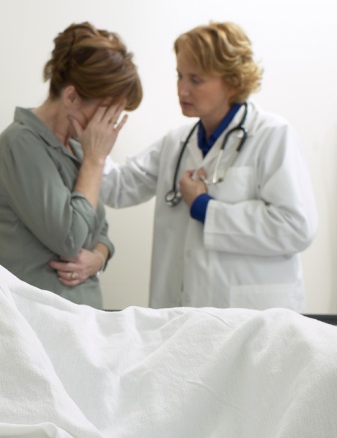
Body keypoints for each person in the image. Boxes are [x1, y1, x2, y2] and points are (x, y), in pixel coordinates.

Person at [100, 21, 318, 311]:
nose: (182, 89)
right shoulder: (177, 143)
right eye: (179, 76)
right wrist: (89, 144)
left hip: (253, 317)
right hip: (180, 312)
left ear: (233, 81)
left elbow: (296, 228)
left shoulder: (272, 135)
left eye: (195, 79)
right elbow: (117, 187)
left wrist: (204, 206)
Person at [0, 21, 142, 309]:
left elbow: (101, 231)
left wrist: (99, 258)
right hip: (36, 318)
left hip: (83, 317)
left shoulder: (78, 147)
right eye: (105, 112)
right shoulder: (20, 144)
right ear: (71, 97)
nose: (107, 126)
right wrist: (95, 161)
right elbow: (70, 238)